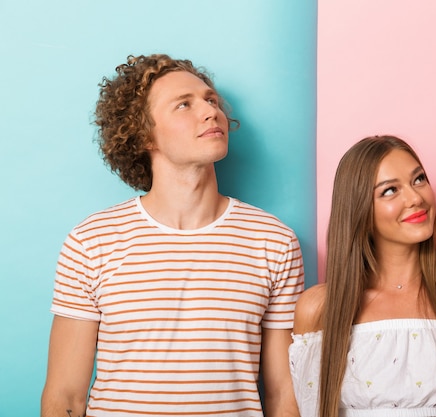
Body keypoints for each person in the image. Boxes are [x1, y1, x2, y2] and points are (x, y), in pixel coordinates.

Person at [41, 54, 304, 417]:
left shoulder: (273, 241)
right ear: (143, 133)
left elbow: (282, 392)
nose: (211, 112)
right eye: (184, 104)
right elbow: (65, 398)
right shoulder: (91, 242)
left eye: (211, 100)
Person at [289, 135, 436, 417]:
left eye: (419, 179)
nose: (415, 198)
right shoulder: (319, 309)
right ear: (359, 210)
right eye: (389, 191)